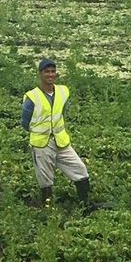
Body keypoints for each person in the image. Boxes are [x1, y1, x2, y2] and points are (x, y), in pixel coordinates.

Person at [23, 57, 94, 211]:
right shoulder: (32, 97)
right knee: (45, 178)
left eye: (53, 71)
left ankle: (85, 205)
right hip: (41, 143)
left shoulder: (62, 91)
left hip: (60, 140)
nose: (50, 74)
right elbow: (25, 121)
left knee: (79, 169)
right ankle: (47, 209)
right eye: (47, 72)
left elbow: (62, 112)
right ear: (40, 73)